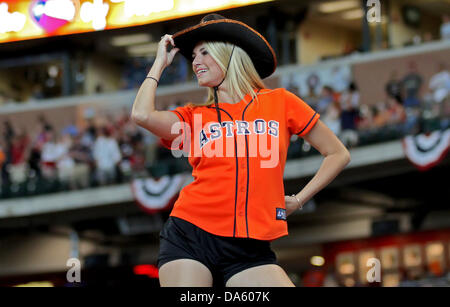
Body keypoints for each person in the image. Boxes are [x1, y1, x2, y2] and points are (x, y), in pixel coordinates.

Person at [131, 13, 350, 287]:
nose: (195, 61)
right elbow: (141, 115)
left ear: (228, 55)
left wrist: (299, 199)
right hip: (190, 235)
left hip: (249, 247)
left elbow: (338, 153)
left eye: (204, 53)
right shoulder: (193, 115)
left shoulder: (281, 102)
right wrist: (159, 64)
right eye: (193, 57)